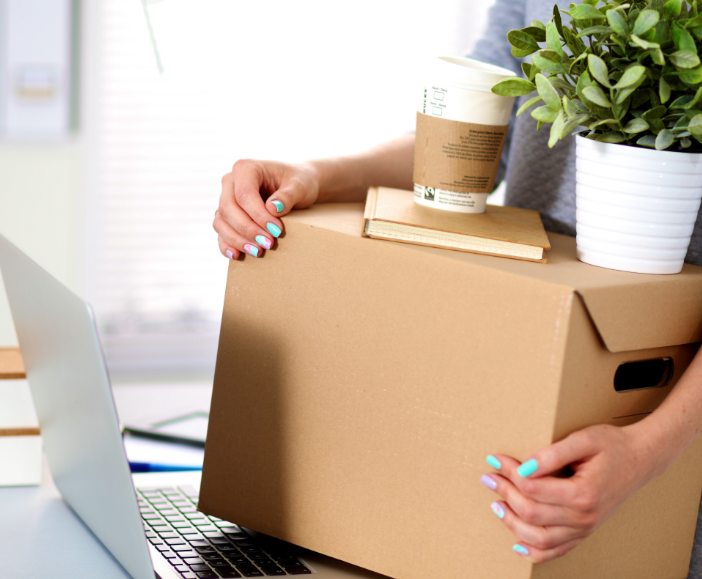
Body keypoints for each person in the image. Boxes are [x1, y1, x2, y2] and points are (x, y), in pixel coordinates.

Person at [212, 0, 702, 572]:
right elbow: (470, 136)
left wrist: (649, 449)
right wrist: (319, 175)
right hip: (532, 373)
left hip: (668, 443)